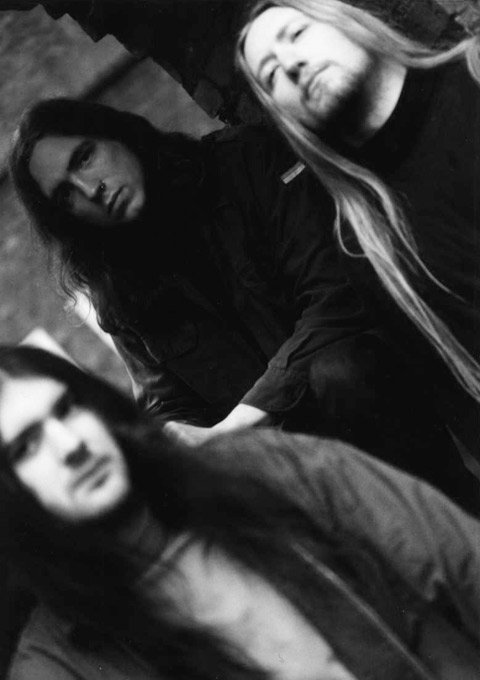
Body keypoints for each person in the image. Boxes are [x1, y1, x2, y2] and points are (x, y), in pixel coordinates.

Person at [9, 98, 480, 509]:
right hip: (281, 464)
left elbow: (338, 298)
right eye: (65, 195)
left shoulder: (245, 162)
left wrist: (243, 420)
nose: (90, 190)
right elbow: (165, 403)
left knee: (342, 371)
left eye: (85, 157)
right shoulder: (115, 289)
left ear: (116, 133)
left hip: (384, 400)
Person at [2, 345, 480, 680]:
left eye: (66, 409)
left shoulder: (261, 468)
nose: (71, 446)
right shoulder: (58, 663)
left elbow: (460, 558)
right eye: (25, 447)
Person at [237, 0, 480, 459]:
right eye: (271, 75)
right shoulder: (362, 242)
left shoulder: (474, 74)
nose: (292, 64)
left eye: (296, 34)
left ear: (346, 21)